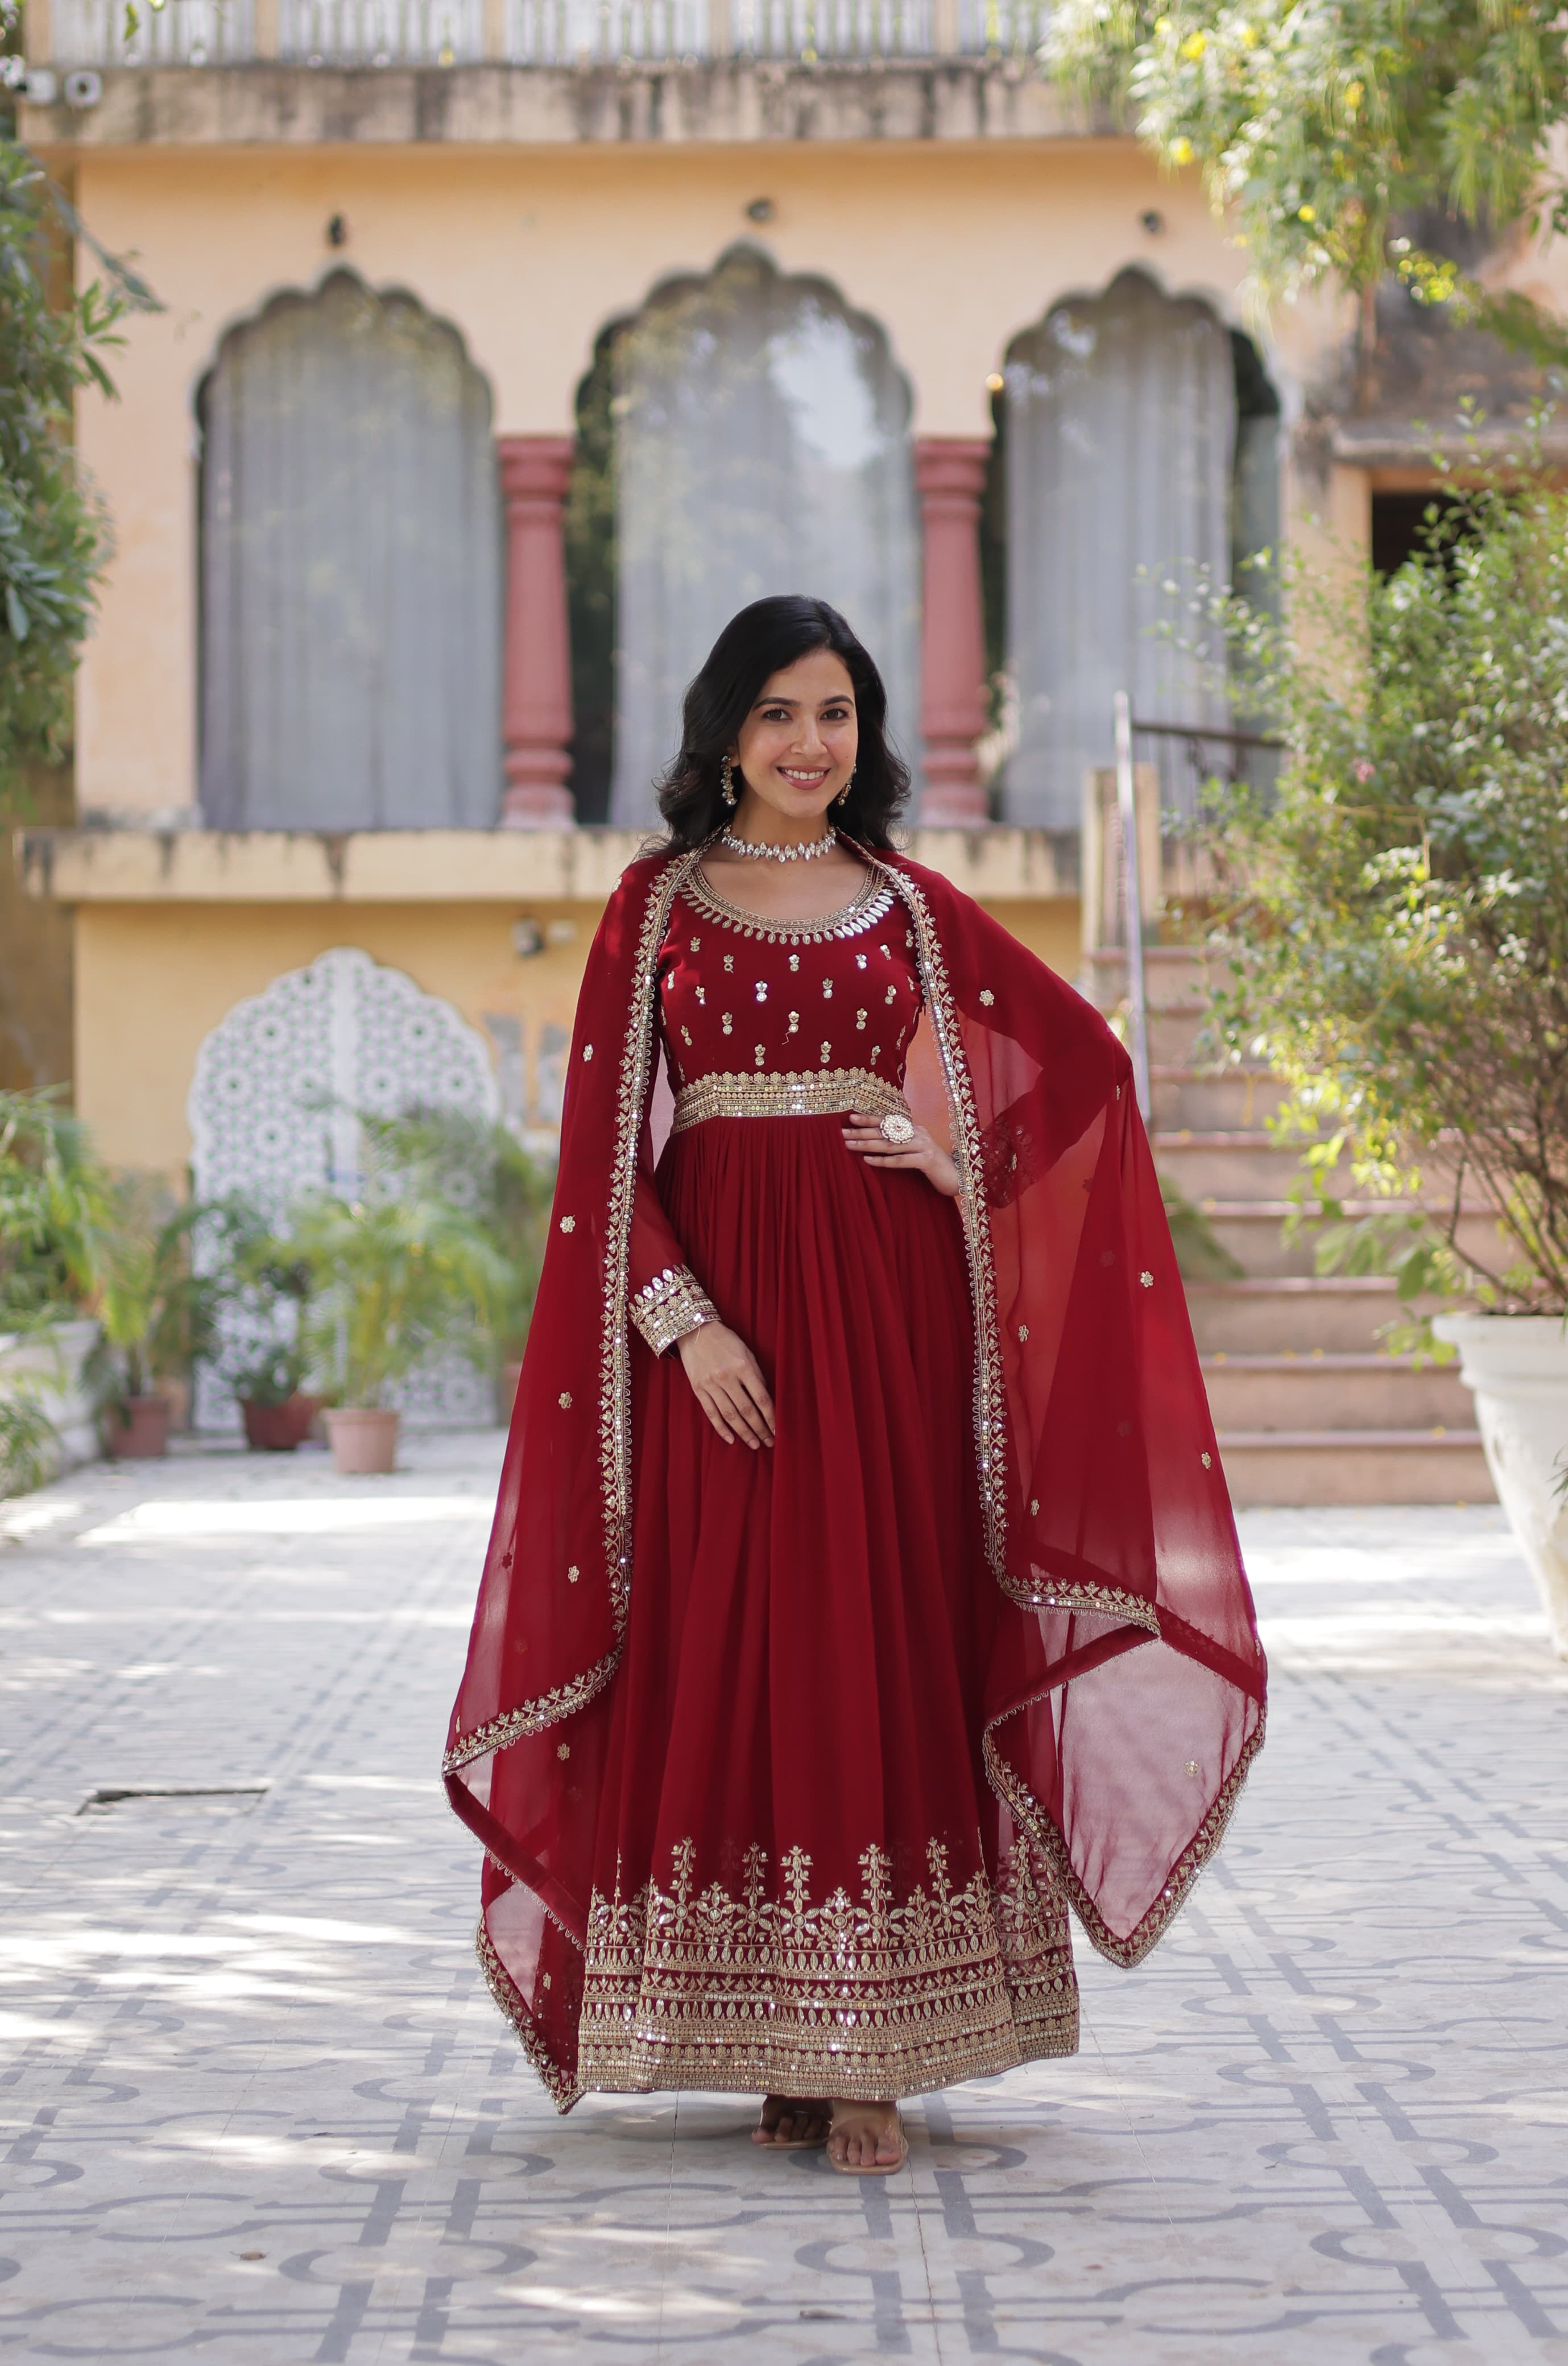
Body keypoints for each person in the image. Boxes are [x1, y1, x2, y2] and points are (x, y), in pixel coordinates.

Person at [445, 595, 1265, 2175]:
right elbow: (605, 1161)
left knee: (875, 1625)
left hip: (888, 1326)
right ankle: (771, 2037)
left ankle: (873, 2051)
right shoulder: (657, 907)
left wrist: (959, 1170)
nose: (812, 744)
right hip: (727, 1338)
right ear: (725, 735)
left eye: (836, 712)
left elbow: (1086, 1072)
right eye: (778, 714)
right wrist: (685, 1325)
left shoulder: (911, 906)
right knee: (737, 1633)